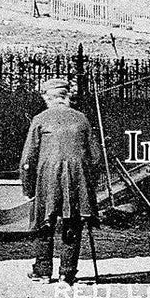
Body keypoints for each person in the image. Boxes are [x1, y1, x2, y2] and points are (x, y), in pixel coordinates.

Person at [20, 78, 102, 284]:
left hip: (47, 178)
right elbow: (96, 157)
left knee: (43, 222)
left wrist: (28, 187)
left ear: (48, 98)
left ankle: (43, 271)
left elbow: (27, 160)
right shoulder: (81, 119)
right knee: (72, 221)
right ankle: (67, 272)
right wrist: (89, 185)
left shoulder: (40, 119)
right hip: (76, 179)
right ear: (66, 98)